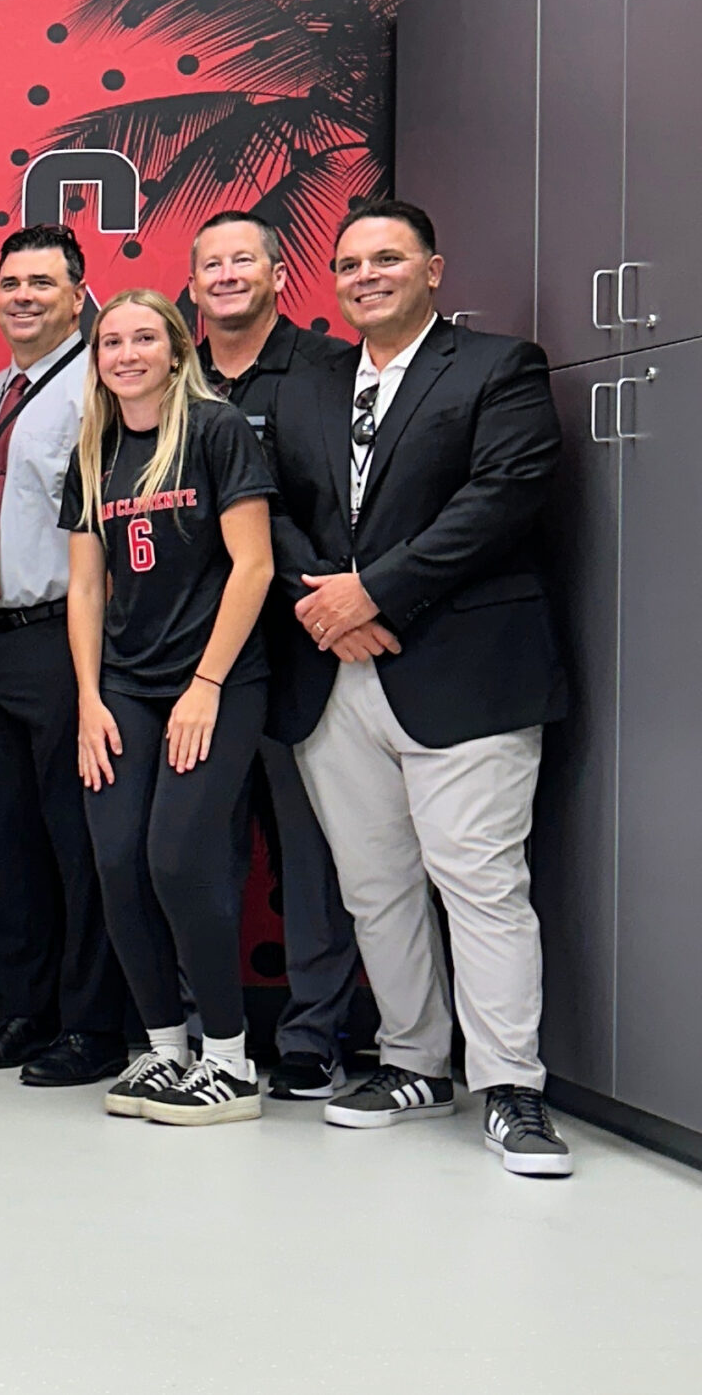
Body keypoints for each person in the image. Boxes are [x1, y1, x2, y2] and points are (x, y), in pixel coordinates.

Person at [261, 197, 572, 1176]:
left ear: (432, 269)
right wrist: (326, 603)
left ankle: (511, 1086)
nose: (365, 276)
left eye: (386, 259)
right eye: (350, 263)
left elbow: (504, 494)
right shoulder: (311, 385)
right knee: (374, 887)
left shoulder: (496, 368)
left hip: (466, 672)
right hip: (334, 675)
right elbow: (264, 501)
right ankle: (411, 1062)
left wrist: (374, 591)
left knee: (478, 881)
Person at [63, 289, 276, 1125]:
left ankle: (227, 1059)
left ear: (177, 349)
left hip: (216, 680)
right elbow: (86, 587)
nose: (126, 353)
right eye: (111, 341)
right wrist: (87, 697)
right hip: (124, 683)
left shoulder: (217, 430)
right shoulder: (96, 446)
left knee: (180, 858)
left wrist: (207, 686)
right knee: (117, 862)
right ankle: (162, 1050)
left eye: (144, 337)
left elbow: (253, 567)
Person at [0, 224, 131, 1088]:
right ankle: (26, 1010)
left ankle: (92, 1026)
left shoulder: (102, 386)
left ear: (78, 292)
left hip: (60, 640)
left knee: (75, 838)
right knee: (2, 841)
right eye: (11, 282)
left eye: (43, 283)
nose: (22, 296)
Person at [189, 211, 365, 1102]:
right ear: (193, 284)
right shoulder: (165, 378)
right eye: (210, 264)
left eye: (241, 260)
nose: (226, 276)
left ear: (278, 271)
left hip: (302, 647)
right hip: (194, 662)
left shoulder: (331, 371)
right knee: (198, 850)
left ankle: (312, 1036)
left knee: (310, 854)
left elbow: (338, 509)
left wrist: (315, 593)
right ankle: (206, 1032)